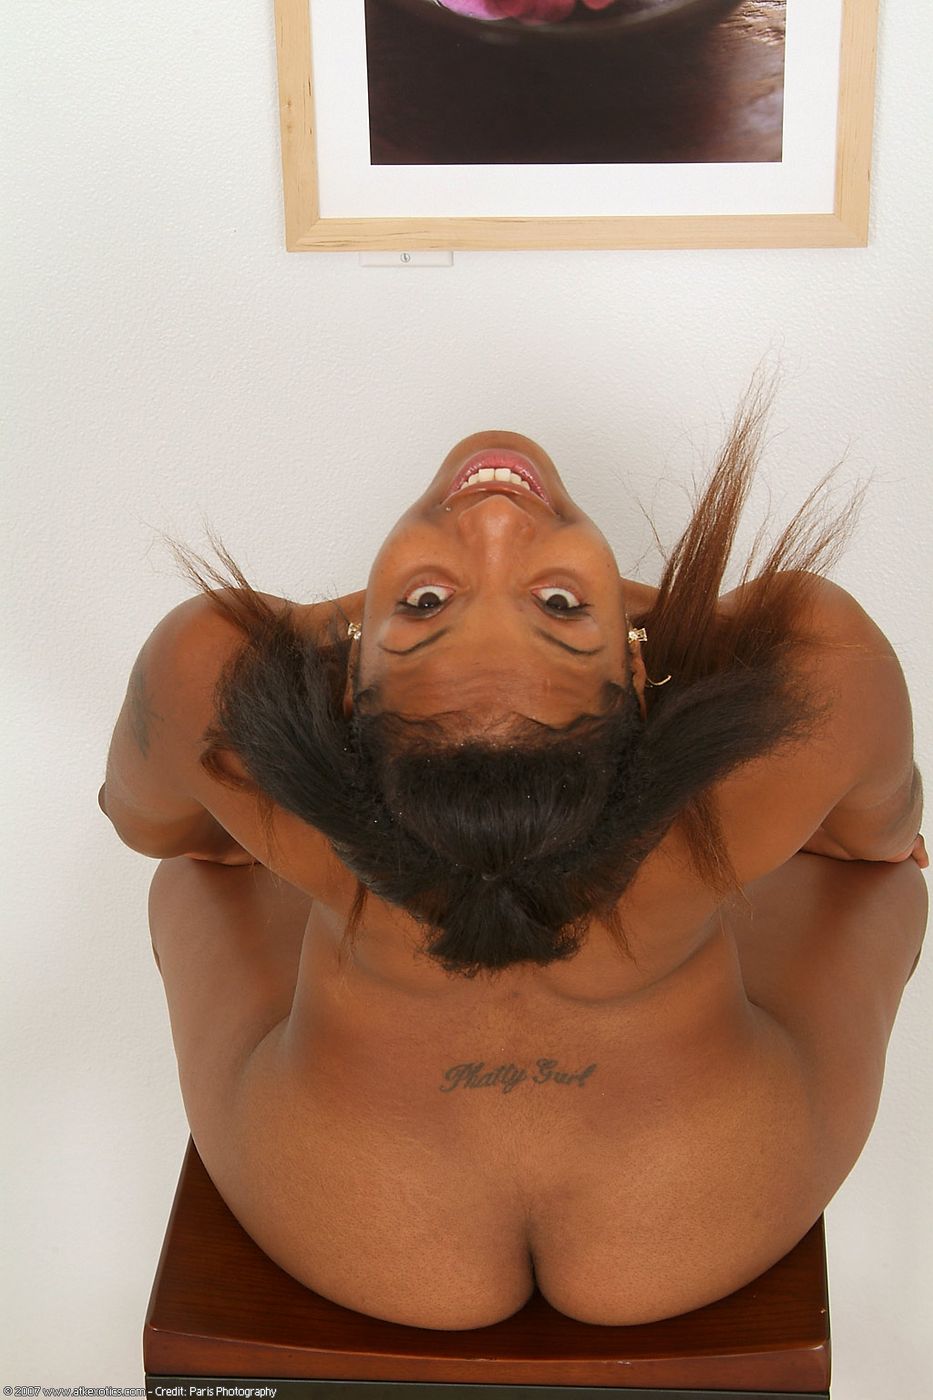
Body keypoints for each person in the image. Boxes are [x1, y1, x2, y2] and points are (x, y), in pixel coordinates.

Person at [100, 397, 927, 1330]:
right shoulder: (819, 669)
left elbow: (150, 828)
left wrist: (265, 812)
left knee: (194, 870)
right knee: (889, 877)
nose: (495, 524)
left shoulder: (207, 675)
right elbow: (878, 835)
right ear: (638, 689)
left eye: (429, 607)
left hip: (354, 1215)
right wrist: (640, 631)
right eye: (555, 607)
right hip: (696, 1208)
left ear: (347, 702)